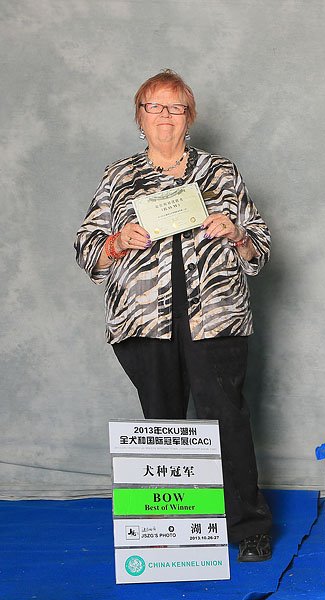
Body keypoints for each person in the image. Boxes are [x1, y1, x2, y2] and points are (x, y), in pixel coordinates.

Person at [75, 69, 273, 562]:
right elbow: (85, 246)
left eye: (175, 107)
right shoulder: (118, 176)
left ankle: (248, 526)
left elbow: (261, 246)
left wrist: (237, 233)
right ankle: (175, 531)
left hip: (217, 317)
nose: (165, 116)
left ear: (190, 117)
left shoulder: (221, 172)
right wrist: (115, 241)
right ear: (139, 118)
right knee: (162, 423)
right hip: (143, 320)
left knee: (226, 418)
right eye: (154, 107)